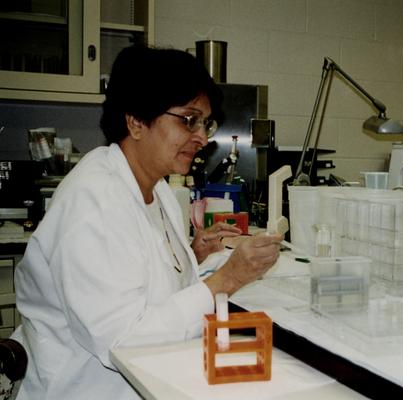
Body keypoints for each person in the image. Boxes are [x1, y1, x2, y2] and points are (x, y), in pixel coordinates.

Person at [12, 45, 283, 399]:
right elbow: (123, 341)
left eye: (205, 122)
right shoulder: (93, 200)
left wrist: (192, 257)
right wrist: (227, 278)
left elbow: (140, 277)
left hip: (152, 378)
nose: (202, 136)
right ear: (136, 121)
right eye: (189, 119)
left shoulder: (159, 192)